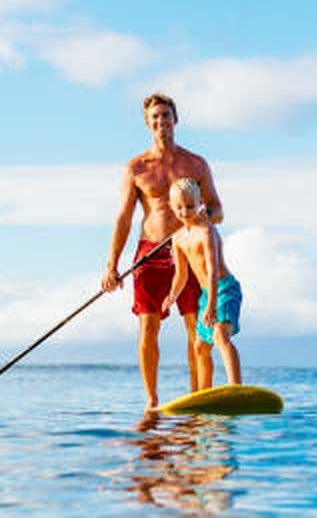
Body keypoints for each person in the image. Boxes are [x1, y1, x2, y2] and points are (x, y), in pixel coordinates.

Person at [101, 93, 223, 411]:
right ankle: (152, 401)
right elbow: (124, 218)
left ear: (175, 119)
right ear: (147, 123)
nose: (161, 122)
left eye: (166, 115)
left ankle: (199, 397)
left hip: (189, 250)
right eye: (155, 117)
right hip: (149, 253)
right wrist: (111, 266)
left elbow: (217, 208)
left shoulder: (196, 164)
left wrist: (201, 217)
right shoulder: (136, 168)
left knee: (197, 325)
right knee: (149, 326)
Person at [162, 178, 242, 390]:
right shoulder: (178, 238)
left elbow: (213, 270)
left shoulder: (206, 232)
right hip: (207, 294)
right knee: (200, 346)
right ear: (171, 206)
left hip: (224, 289)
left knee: (219, 336)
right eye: (179, 207)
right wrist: (172, 295)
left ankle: (236, 387)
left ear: (199, 204)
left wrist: (212, 304)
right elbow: (181, 274)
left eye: (190, 206)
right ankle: (204, 393)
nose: (184, 211)